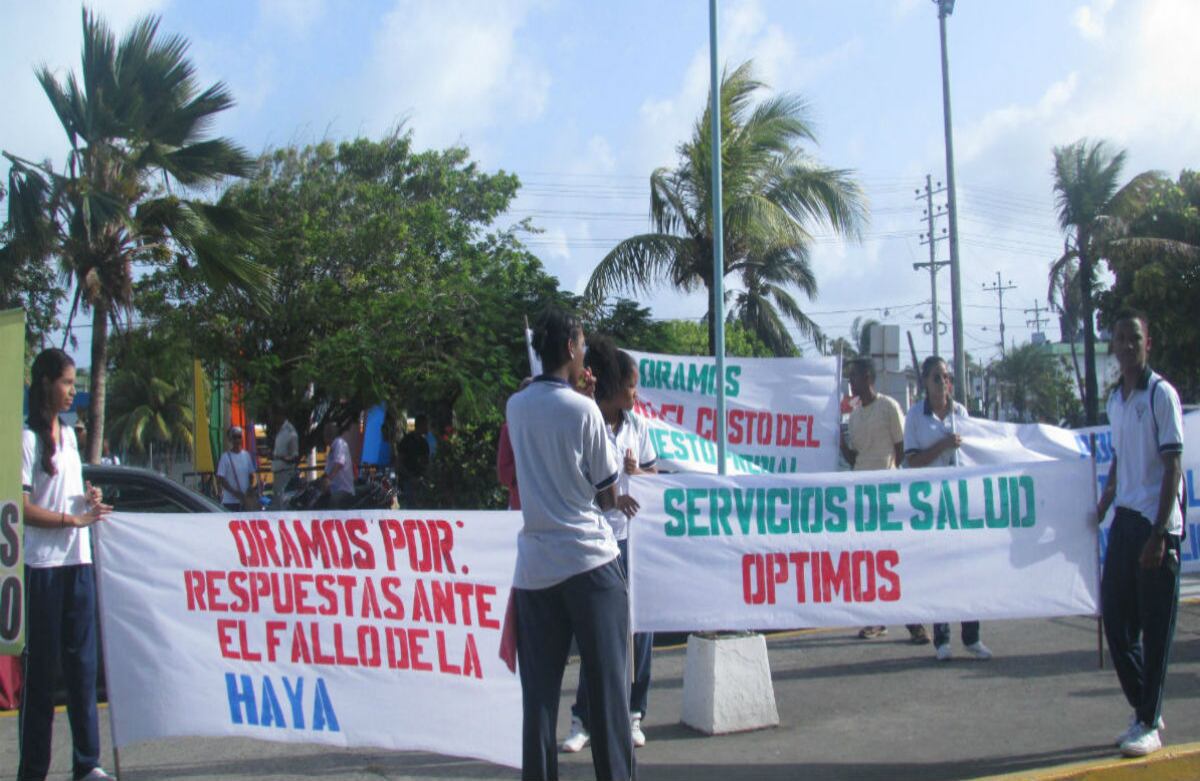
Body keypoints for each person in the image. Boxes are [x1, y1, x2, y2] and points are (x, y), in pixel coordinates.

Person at [506, 308, 634, 781]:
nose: (584, 355)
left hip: (535, 568)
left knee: (538, 700)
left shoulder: (515, 405)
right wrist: (592, 410)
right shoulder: (585, 409)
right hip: (589, 561)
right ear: (568, 349)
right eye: (581, 346)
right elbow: (605, 489)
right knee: (607, 695)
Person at [18, 348, 113, 781]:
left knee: (82, 668)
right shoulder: (26, 439)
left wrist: (88, 501)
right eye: (67, 383)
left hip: (78, 562)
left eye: (75, 383)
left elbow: (73, 492)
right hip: (42, 567)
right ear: (45, 384)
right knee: (41, 677)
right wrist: (71, 519)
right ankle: (33, 769)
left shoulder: (72, 436)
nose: (73, 391)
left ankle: (87, 763)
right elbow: (19, 508)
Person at [561, 338, 657, 754]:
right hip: (598, 540)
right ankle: (584, 718)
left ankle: (635, 713)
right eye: (632, 386)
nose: (636, 394)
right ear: (616, 385)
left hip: (633, 539)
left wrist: (642, 471)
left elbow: (657, 474)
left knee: (640, 628)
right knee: (598, 631)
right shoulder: (589, 422)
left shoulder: (638, 427)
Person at [1097, 311, 1185, 758]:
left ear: (1147, 342)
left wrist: (1158, 534)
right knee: (1115, 620)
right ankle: (1146, 707)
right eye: (1120, 338)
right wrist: (1105, 501)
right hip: (1125, 522)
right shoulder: (1117, 399)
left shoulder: (1160, 395)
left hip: (1157, 527)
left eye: (1135, 337)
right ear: (1112, 345)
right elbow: (1119, 458)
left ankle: (1148, 722)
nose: (1128, 344)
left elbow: (1171, 465)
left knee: (1156, 628)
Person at [903, 356, 992, 662]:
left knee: (969, 570)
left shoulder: (960, 413)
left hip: (961, 501)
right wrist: (942, 445)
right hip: (932, 504)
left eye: (945, 377)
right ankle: (942, 639)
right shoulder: (916, 416)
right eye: (936, 378)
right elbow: (911, 460)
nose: (943, 383)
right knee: (940, 570)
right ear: (925, 383)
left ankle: (972, 636)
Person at [840, 358, 929, 645]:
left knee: (895, 559)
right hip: (861, 497)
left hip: (887, 497)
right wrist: (841, 446)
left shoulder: (889, 407)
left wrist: (888, 478)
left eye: (853, 377)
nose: (850, 383)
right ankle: (875, 619)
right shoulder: (853, 417)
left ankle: (914, 622)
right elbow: (856, 457)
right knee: (868, 560)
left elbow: (901, 448)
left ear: (867, 378)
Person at [497, 378, 534, 511]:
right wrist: (525, 464)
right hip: (519, 505)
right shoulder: (509, 429)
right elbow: (503, 474)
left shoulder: (548, 428)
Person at [216, 425, 258, 512]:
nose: (237, 440)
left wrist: (250, 488)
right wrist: (234, 493)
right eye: (235, 437)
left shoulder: (246, 456)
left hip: (244, 501)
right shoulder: (225, 457)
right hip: (230, 502)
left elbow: (252, 475)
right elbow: (220, 478)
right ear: (231, 439)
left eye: (239, 437)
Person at [398, 414, 431, 507]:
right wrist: (410, 477)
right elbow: (399, 462)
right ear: (421, 425)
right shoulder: (406, 440)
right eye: (426, 424)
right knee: (410, 505)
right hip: (408, 481)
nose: (427, 427)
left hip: (420, 481)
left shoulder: (424, 443)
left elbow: (426, 462)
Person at [322, 420, 355, 509]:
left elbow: (339, 462)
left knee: (333, 503)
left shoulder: (339, 443)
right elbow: (328, 469)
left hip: (343, 489)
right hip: (334, 489)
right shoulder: (332, 448)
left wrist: (329, 479)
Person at [271, 410, 300, 506]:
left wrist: (278, 457)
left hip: (285, 474)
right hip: (277, 474)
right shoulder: (279, 430)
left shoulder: (290, 432)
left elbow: (294, 457)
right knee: (277, 503)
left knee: (283, 504)